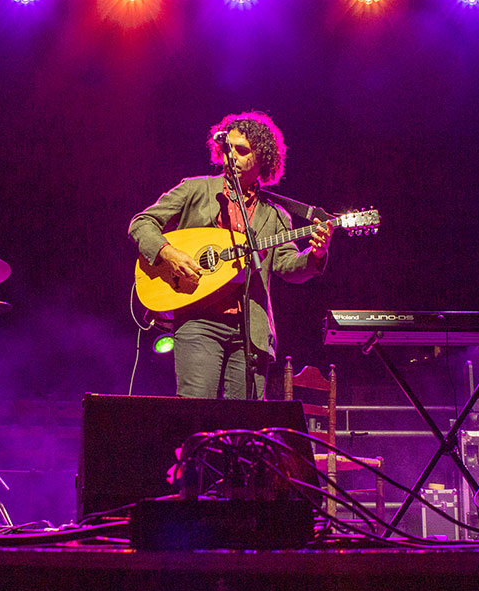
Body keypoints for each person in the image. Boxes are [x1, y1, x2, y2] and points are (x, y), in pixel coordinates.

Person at [129, 111, 331, 400]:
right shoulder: (196, 189)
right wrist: (169, 253)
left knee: (245, 426)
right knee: (196, 414)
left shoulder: (275, 214)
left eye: (242, 150)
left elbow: (288, 266)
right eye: (227, 149)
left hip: (251, 330)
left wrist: (316, 253)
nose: (231, 157)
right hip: (199, 320)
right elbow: (142, 223)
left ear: (262, 159)